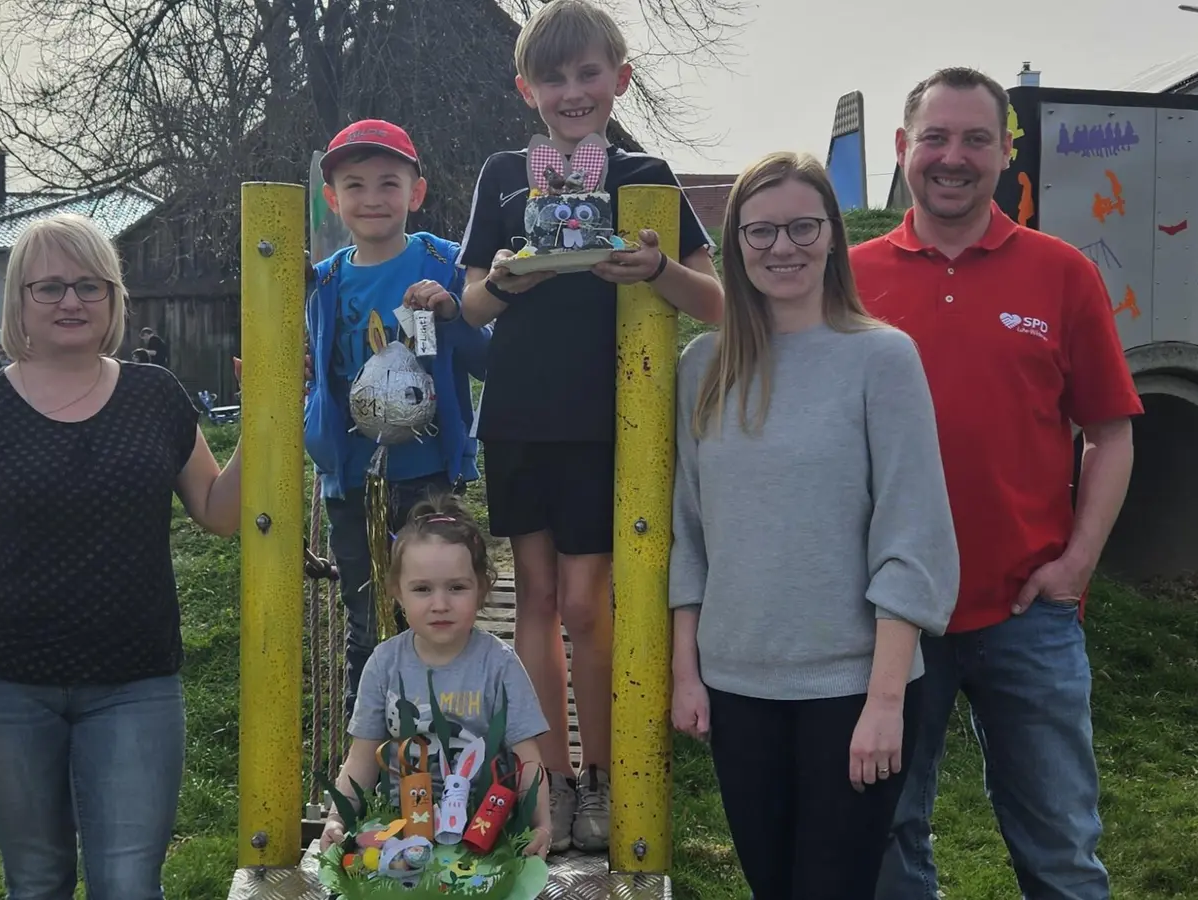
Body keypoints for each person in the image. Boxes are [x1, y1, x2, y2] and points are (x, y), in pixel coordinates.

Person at [849, 67, 1141, 900]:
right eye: (935, 138)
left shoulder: (1060, 273)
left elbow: (1112, 434)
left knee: (1058, 848)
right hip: (891, 617)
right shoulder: (851, 280)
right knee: (889, 841)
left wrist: (1077, 565)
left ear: (1007, 153)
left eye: (977, 138)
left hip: (1028, 613)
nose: (954, 157)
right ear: (903, 149)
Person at [0, 212, 243, 900]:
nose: (71, 302)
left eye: (91, 286)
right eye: (50, 287)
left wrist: (269, 418)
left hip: (135, 684)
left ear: (115, 299)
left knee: (127, 883)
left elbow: (219, 513)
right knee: (37, 881)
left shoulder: (156, 397)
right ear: (18, 302)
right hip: (2, 688)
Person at [454, 0, 724, 853]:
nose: (572, 92)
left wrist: (656, 268)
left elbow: (717, 303)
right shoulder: (503, 173)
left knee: (583, 603)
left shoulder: (644, 173)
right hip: (519, 416)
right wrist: (505, 284)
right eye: (554, 77)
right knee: (534, 598)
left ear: (620, 79)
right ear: (525, 87)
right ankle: (553, 782)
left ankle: (602, 776)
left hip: (610, 420)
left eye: (588, 74)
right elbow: (468, 303)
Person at [668, 151, 959, 900]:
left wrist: (886, 703)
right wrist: (684, 671)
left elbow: (914, 539)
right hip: (738, 688)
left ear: (832, 235)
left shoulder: (883, 360)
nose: (782, 248)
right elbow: (690, 532)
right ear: (734, 244)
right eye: (760, 232)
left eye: (803, 226)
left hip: (853, 689)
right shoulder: (703, 368)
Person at [305, 117, 492, 721]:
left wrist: (454, 314)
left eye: (389, 183)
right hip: (353, 482)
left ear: (417, 192)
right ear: (333, 200)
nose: (372, 198)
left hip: (429, 473)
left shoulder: (445, 261)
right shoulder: (324, 281)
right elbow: (317, 371)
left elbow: (491, 359)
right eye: (354, 185)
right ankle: (379, 754)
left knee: (440, 610)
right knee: (366, 619)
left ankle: (451, 740)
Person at [317, 493, 553, 859]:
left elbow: (528, 759)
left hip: (485, 832)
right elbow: (362, 757)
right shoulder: (384, 663)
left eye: (457, 587)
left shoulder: (499, 664)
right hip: (402, 828)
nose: (440, 604)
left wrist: (540, 826)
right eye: (422, 589)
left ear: (481, 589)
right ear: (398, 593)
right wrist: (338, 816)